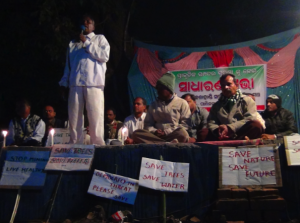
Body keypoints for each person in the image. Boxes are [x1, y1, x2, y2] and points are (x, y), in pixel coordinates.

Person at [59, 14, 110, 145]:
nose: (85, 23)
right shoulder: (73, 43)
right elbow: (68, 66)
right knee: (74, 116)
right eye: (83, 21)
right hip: (75, 83)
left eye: (89, 21)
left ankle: (97, 144)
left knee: (95, 115)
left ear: (93, 25)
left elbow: (104, 56)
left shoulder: (100, 39)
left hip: (94, 83)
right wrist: (64, 83)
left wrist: (86, 43)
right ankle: (75, 143)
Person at [132, 72, 191, 143]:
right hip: (156, 136)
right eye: (157, 88)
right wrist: (154, 131)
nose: (158, 91)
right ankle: (167, 143)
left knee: (183, 134)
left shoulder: (182, 103)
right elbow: (148, 124)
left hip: (173, 134)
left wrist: (167, 132)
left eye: (161, 88)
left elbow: (186, 125)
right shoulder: (153, 105)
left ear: (169, 89)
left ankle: (161, 143)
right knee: (136, 134)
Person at [207, 74, 263, 140]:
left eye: (228, 84)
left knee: (256, 125)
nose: (225, 87)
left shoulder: (247, 100)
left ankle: (239, 140)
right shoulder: (216, 105)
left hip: (241, 133)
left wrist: (230, 128)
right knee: (203, 133)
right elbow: (211, 122)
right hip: (223, 135)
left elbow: (250, 118)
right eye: (223, 85)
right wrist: (219, 130)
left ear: (236, 85)